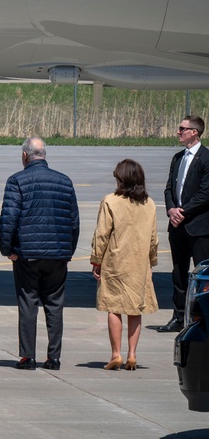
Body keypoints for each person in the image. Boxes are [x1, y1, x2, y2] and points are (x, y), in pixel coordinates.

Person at [0, 137, 80, 371]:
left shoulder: (17, 180)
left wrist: (7, 249)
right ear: (44, 155)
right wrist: (68, 250)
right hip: (57, 254)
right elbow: (74, 221)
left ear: (25, 156)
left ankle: (28, 356)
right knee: (55, 305)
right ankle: (53, 357)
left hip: (27, 254)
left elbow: (9, 219)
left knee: (28, 303)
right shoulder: (64, 181)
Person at [90, 159, 158, 371]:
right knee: (135, 309)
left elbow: (102, 234)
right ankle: (132, 354)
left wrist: (96, 259)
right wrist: (151, 262)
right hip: (139, 262)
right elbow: (154, 238)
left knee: (114, 307)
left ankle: (116, 354)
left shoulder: (110, 201)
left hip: (115, 262)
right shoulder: (150, 203)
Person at [161, 115, 209, 333]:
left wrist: (183, 211)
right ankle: (178, 318)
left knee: (202, 275)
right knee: (178, 274)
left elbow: (205, 193)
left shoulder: (206, 158)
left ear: (195, 132)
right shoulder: (178, 158)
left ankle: (202, 317)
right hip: (177, 226)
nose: (178, 132)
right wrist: (171, 209)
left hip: (198, 227)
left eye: (182, 128)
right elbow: (169, 188)